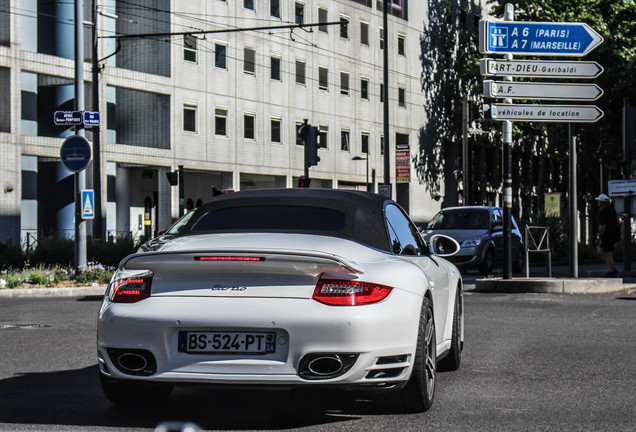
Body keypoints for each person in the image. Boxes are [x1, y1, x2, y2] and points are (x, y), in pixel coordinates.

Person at [595, 194, 621, 276]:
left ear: (601, 202)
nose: (598, 203)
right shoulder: (612, 210)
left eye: (598, 201)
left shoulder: (603, 212)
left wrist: (599, 237)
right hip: (614, 233)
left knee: (607, 251)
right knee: (601, 251)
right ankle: (611, 267)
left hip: (607, 234)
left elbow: (602, 226)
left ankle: (611, 270)